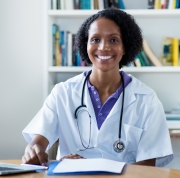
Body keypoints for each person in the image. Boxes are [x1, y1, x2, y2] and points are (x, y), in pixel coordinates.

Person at [22, 8, 173, 167]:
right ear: (85, 44)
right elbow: (37, 143)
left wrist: (93, 168)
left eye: (113, 40)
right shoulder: (62, 93)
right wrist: (34, 150)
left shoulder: (147, 100)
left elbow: (146, 168)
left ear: (125, 47)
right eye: (95, 39)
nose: (103, 47)